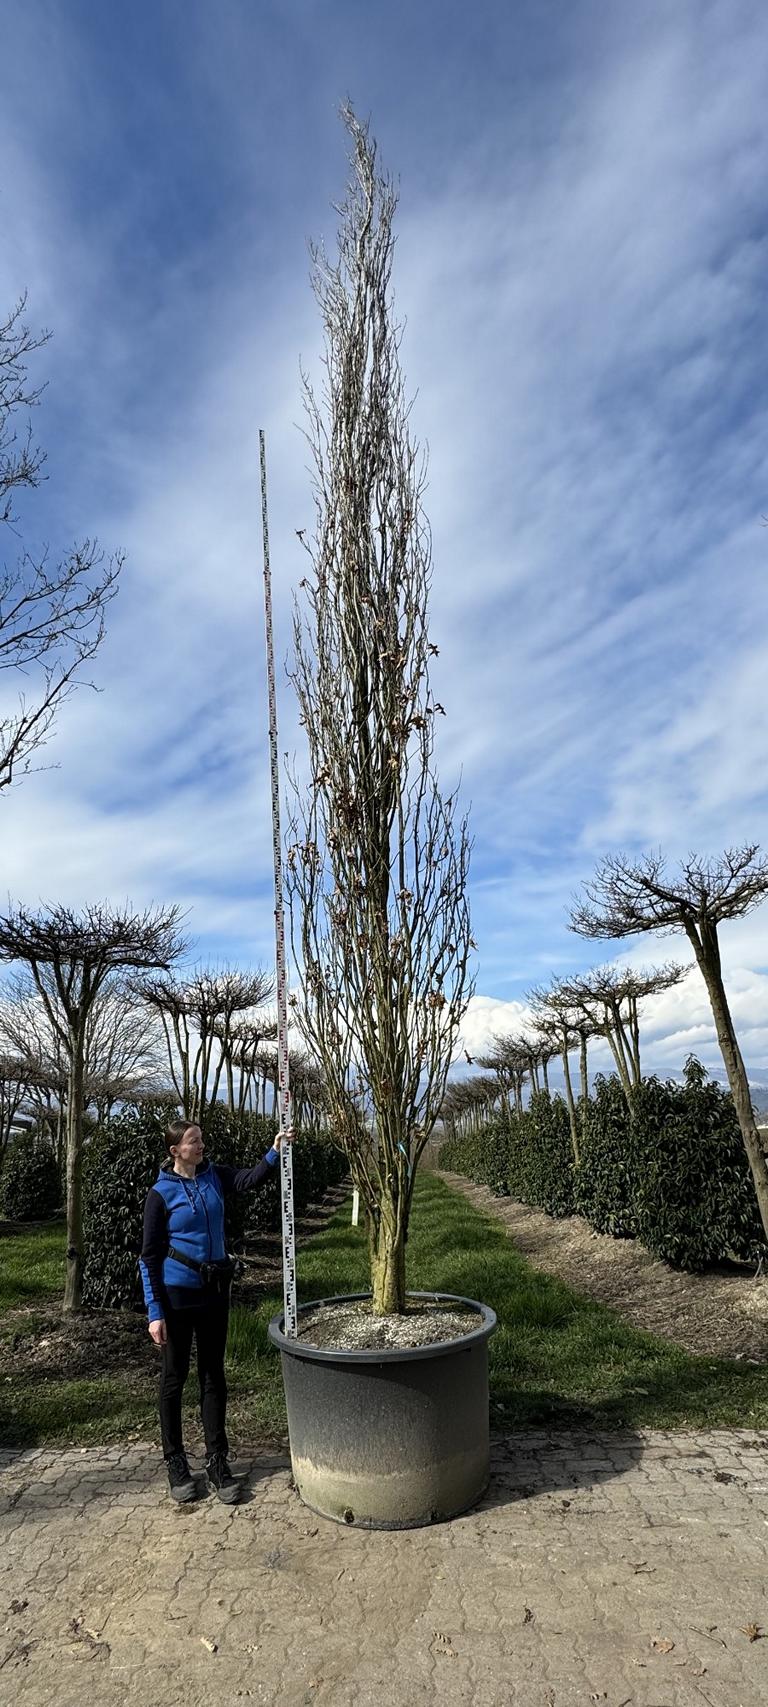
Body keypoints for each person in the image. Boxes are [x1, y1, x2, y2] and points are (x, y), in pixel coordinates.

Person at [140, 1116, 293, 1504]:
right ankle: (175, 1462)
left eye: (201, 1139)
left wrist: (274, 1151)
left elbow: (248, 1180)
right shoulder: (160, 1194)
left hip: (214, 1294)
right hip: (176, 1297)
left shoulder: (213, 1176)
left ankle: (217, 1460)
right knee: (174, 1380)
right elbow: (149, 1256)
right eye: (194, 1141)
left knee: (213, 1376)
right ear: (176, 1151)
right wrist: (154, 1311)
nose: (201, 1146)